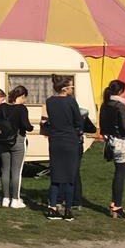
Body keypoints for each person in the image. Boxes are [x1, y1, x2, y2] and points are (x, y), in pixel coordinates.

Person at [43, 75, 83, 221]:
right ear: (65, 88)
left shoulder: (50, 101)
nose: (72, 89)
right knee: (70, 177)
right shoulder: (71, 102)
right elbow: (78, 121)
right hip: (70, 140)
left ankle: (52, 207)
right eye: (71, 87)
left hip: (55, 141)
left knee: (55, 175)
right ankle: (68, 210)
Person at [99, 80, 125, 219]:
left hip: (111, 141)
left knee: (118, 174)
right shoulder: (120, 106)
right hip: (122, 142)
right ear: (120, 91)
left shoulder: (105, 104)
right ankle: (117, 205)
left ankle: (115, 203)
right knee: (120, 175)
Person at [0, 86, 33, 209]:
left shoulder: (3, 107)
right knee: (16, 171)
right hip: (18, 140)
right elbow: (26, 125)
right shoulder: (22, 109)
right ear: (22, 96)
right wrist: (32, 127)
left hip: (3, 141)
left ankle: (5, 198)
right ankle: (15, 199)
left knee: (5, 170)